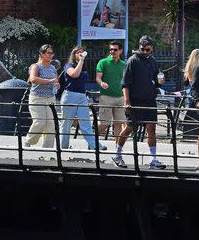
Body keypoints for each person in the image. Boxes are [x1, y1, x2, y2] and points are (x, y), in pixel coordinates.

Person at [112, 36, 165, 169]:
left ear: (152, 48)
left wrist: (160, 81)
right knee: (129, 127)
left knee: (151, 128)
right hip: (135, 100)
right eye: (142, 49)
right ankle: (117, 154)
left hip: (150, 100)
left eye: (147, 49)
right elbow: (125, 84)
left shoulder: (153, 61)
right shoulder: (132, 60)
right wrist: (126, 101)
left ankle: (153, 159)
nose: (145, 52)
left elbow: (156, 79)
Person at [60, 46, 104, 150]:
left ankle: (95, 146)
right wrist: (81, 61)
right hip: (70, 95)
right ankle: (63, 147)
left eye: (82, 52)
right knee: (66, 123)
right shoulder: (68, 65)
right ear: (73, 55)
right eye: (78, 52)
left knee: (86, 122)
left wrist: (81, 62)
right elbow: (74, 74)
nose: (81, 54)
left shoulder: (83, 66)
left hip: (81, 96)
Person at [25, 45, 60, 148]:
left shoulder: (53, 68)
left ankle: (48, 148)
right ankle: (28, 141)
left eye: (51, 53)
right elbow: (33, 79)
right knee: (40, 122)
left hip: (50, 97)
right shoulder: (35, 66)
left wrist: (57, 85)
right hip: (37, 97)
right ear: (42, 54)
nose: (51, 55)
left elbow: (56, 81)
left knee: (50, 124)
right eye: (48, 53)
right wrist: (49, 81)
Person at [95, 41, 127, 138]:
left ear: (120, 51)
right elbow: (98, 78)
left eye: (115, 49)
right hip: (106, 96)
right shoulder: (103, 62)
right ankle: (92, 140)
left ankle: (118, 149)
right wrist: (101, 83)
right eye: (111, 49)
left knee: (119, 124)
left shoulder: (124, 64)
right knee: (105, 123)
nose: (112, 51)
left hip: (120, 97)